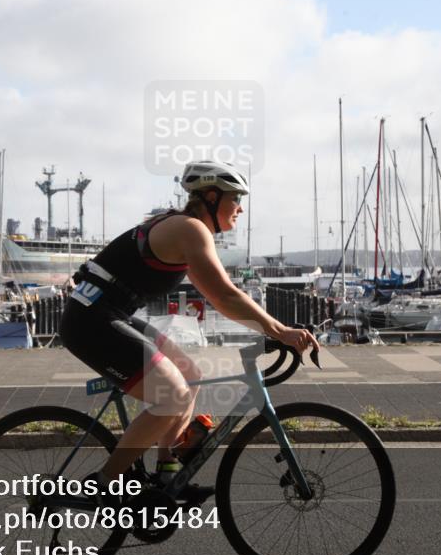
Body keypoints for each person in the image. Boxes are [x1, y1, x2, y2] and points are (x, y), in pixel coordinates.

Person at [59, 160, 318, 495]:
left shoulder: (186, 228)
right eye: (235, 198)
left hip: (109, 312)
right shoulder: (189, 229)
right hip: (90, 320)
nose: (240, 208)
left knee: (189, 375)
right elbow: (224, 295)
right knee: (172, 396)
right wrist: (279, 331)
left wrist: (273, 329)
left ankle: (166, 474)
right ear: (211, 196)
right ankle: (104, 483)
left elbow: (221, 296)